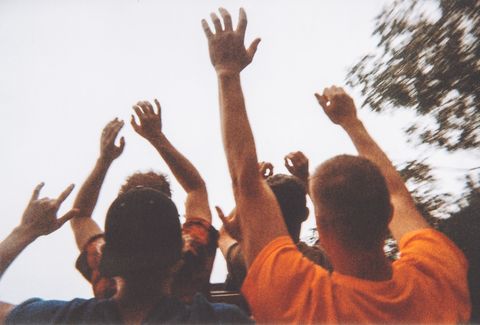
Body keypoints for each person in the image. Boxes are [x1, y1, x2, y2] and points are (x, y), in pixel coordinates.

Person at [202, 7, 470, 323]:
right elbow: (397, 194)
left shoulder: (302, 301)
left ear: (321, 222)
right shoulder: (439, 270)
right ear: (387, 216)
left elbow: (245, 181)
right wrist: (352, 123)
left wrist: (227, 73)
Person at [0, 185, 251, 324]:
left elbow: (82, 216)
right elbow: (196, 188)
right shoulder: (221, 321)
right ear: (179, 256)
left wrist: (24, 232)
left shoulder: (63, 319)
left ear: (105, 258)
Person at [71, 100, 217, 302]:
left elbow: (80, 216)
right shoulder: (191, 249)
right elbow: (196, 189)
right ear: (169, 212)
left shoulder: (102, 257)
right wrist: (157, 137)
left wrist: (103, 161)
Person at [218, 157, 331, 291]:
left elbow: (224, 234)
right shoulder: (320, 260)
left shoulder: (250, 260)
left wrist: (252, 191)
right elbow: (330, 225)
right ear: (306, 214)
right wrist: (305, 179)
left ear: (263, 215)